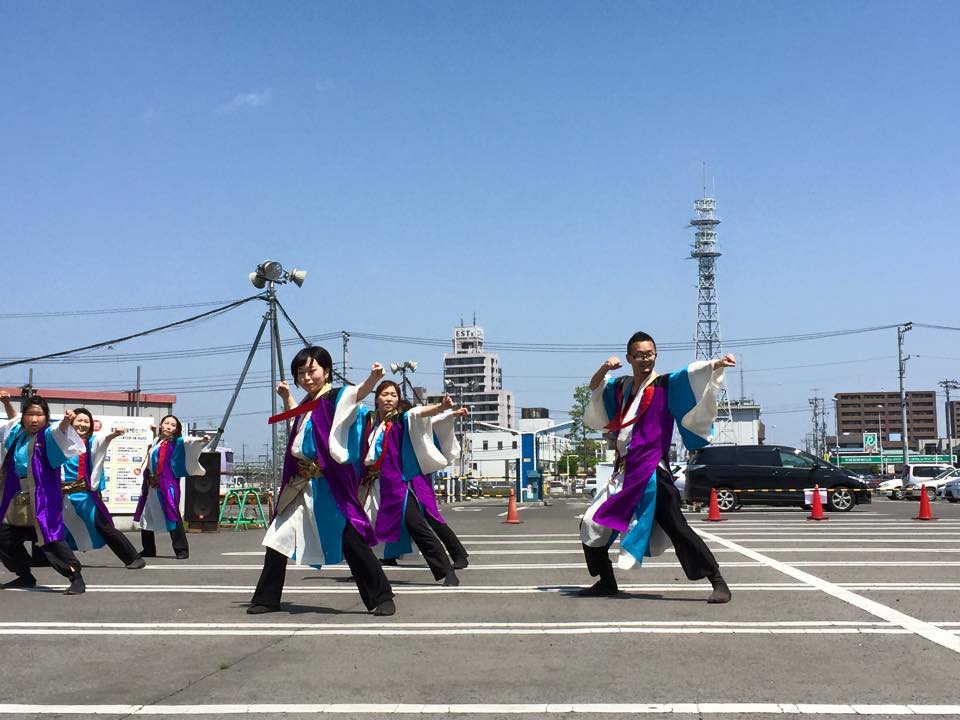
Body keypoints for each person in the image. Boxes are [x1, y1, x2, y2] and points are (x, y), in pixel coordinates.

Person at [578, 330, 735, 603]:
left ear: (655, 356)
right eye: (639, 355)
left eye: (649, 354)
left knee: (677, 527)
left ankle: (718, 580)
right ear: (629, 357)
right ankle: (606, 581)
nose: (645, 359)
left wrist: (716, 364)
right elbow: (595, 386)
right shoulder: (622, 386)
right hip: (624, 472)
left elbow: (691, 374)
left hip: (652, 473)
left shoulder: (665, 385)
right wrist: (605, 367)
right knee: (591, 523)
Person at [248, 347, 395, 616]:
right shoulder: (310, 403)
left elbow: (356, 394)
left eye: (311, 370)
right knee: (278, 537)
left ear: (326, 371)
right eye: (300, 372)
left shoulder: (335, 397)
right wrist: (287, 396)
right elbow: (298, 422)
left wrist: (373, 379)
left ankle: (381, 596)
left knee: (351, 539)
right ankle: (266, 598)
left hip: (329, 485)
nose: (306, 377)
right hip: (301, 484)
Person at [352, 382, 468, 584]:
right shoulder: (369, 420)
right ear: (377, 398)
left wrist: (442, 407)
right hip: (372, 485)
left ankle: (447, 571)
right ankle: (363, 571)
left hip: (397, 486)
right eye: (385, 394)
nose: (389, 398)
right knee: (358, 528)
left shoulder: (400, 420)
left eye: (393, 395)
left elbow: (418, 413)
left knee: (418, 526)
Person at [0, 396, 87, 594]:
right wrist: (6, 403)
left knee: (50, 538)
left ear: (46, 417)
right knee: (4, 536)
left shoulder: (47, 435)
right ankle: (24, 575)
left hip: (42, 495)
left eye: (39, 414)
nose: (34, 419)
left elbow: (59, 432)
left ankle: (75, 577)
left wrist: (66, 422)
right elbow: (13, 420)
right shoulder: (18, 434)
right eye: (29, 414)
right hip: (16, 493)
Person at [60, 408, 144, 569]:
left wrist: (114, 434)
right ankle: (47, 559)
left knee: (103, 526)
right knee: (55, 527)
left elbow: (104, 439)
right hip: (63, 496)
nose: (83, 424)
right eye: (79, 420)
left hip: (85, 496)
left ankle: (133, 557)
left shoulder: (91, 442)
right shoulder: (61, 442)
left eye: (86, 421)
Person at [132, 415, 207, 560]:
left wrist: (200, 440)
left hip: (166, 483)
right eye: (166, 423)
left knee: (172, 513)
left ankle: (181, 549)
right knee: (147, 515)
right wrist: (154, 433)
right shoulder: (156, 441)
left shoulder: (174, 442)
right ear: (161, 425)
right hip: (151, 483)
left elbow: (187, 441)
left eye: (173, 425)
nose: (169, 426)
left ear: (176, 429)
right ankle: (148, 549)